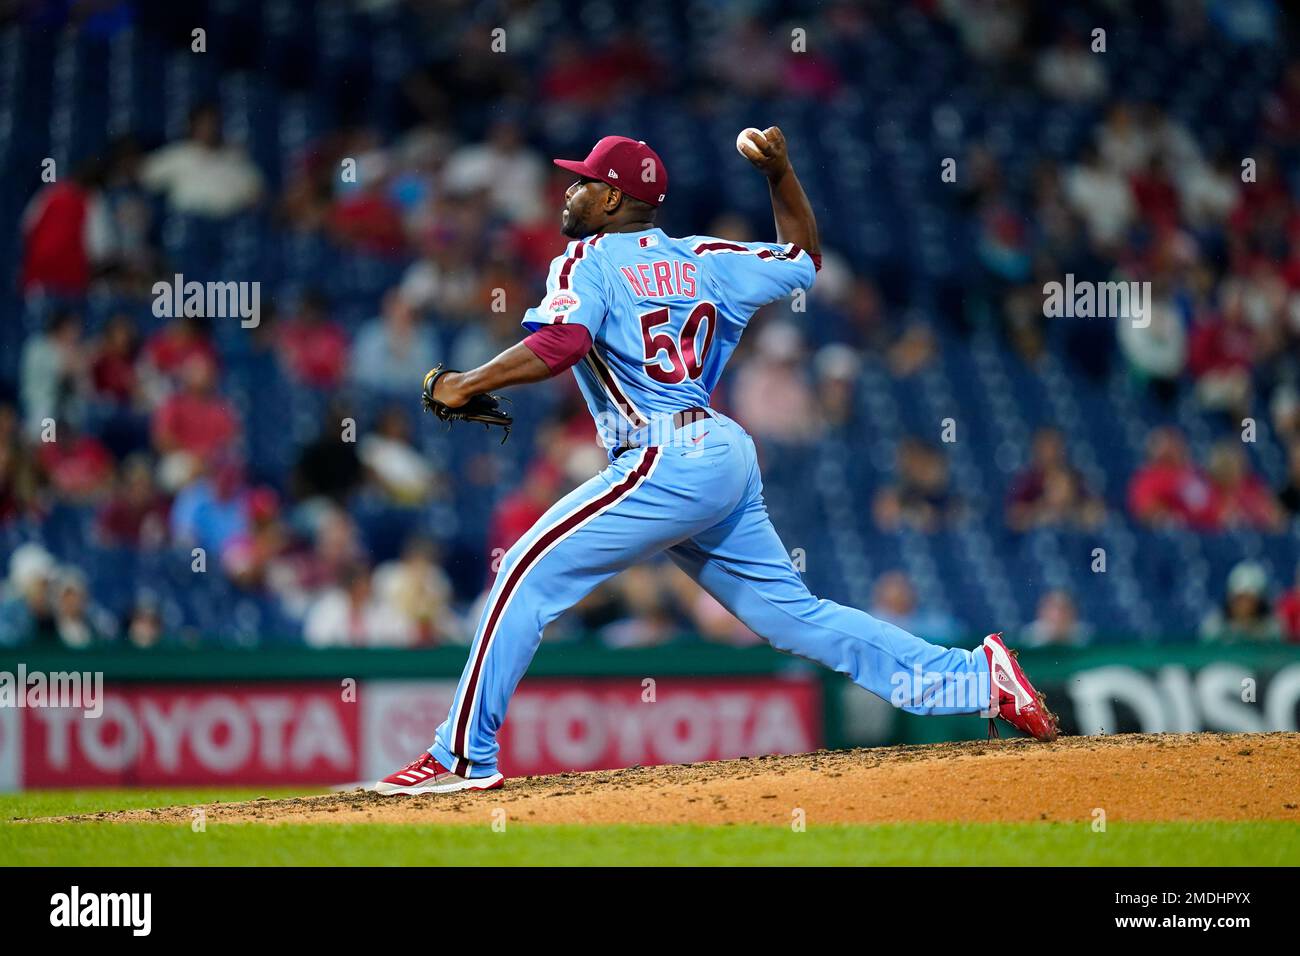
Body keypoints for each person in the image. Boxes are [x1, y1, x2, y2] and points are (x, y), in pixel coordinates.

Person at [375, 130, 1058, 796]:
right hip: (721, 453)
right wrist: (780, 176)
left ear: (613, 201)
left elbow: (562, 339)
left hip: (664, 454)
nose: (571, 190)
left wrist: (467, 382)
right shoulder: (703, 256)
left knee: (522, 571)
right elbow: (804, 256)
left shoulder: (587, 260)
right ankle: (978, 679)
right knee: (796, 616)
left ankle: (463, 757)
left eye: (584, 181)